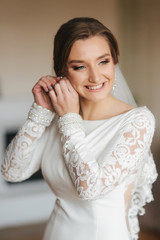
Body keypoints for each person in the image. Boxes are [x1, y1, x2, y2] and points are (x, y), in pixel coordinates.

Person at [1, 17, 157, 240]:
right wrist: (40, 113)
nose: (95, 76)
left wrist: (70, 119)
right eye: (80, 66)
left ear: (114, 61)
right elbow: (12, 172)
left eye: (103, 61)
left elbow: (90, 189)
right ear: (62, 71)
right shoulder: (58, 117)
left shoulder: (137, 121)